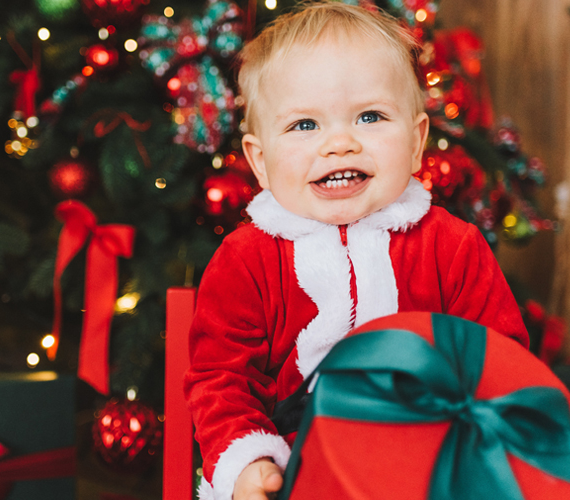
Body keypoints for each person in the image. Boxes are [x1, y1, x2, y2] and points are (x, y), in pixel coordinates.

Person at [183, 3, 528, 500]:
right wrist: (247, 460)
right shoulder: (247, 259)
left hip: (429, 466)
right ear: (260, 161)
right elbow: (222, 379)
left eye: (370, 116)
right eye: (305, 125)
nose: (340, 143)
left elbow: (500, 363)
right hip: (301, 471)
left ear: (415, 143)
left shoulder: (452, 247)